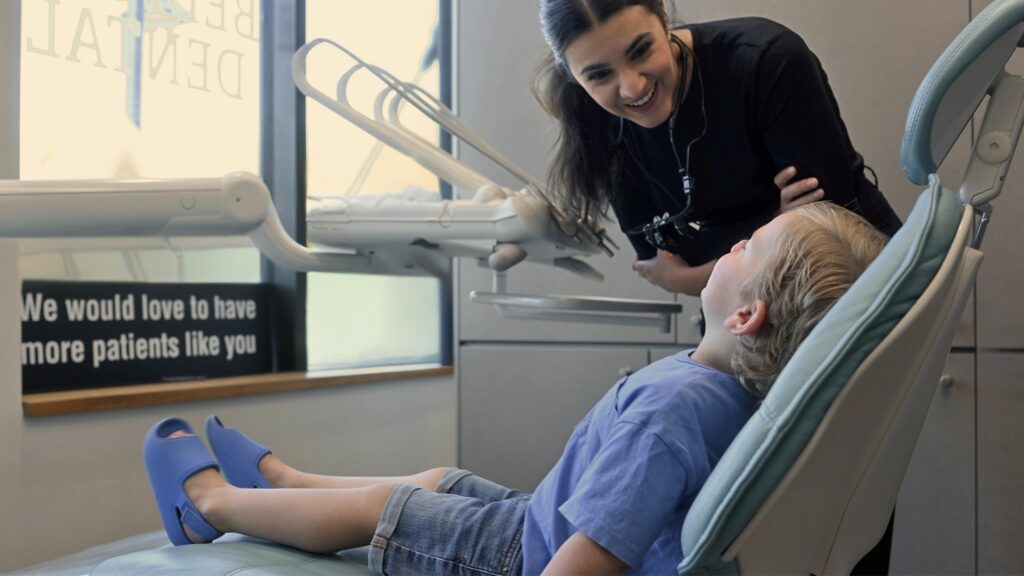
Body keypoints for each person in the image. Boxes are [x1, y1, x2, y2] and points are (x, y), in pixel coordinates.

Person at [143, 202, 888, 575]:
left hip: (518, 555)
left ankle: (209, 506)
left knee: (393, 508)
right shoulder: (722, 390)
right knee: (439, 478)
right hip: (538, 516)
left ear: (747, 314)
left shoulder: (672, 414)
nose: (732, 244)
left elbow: (591, 556)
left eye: (747, 246)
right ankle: (288, 482)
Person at [533, 0, 902, 297]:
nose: (631, 87)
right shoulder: (593, 116)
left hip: (860, 276)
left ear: (663, 14)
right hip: (746, 316)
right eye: (599, 75)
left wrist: (691, 273)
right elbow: (658, 259)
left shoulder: (765, 59)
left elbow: (820, 230)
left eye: (641, 50)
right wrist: (775, 222)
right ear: (571, 74)